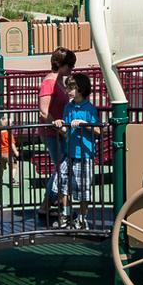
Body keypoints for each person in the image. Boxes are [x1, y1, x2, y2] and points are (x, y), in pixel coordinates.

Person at [49, 74, 101, 230]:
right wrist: (59, 126)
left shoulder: (90, 109)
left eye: (71, 87)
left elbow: (97, 130)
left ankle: (82, 218)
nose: (68, 91)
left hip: (84, 155)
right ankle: (65, 214)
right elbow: (66, 132)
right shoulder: (68, 107)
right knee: (60, 183)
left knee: (83, 188)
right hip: (69, 152)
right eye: (68, 87)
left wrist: (85, 124)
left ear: (81, 89)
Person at [37, 48, 78, 223]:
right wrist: (60, 128)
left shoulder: (61, 81)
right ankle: (63, 209)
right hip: (52, 133)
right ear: (60, 64)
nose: (72, 69)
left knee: (62, 169)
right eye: (70, 65)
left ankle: (47, 206)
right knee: (63, 169)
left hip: (60, 132)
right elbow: (44, 112)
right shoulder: (49, 82)